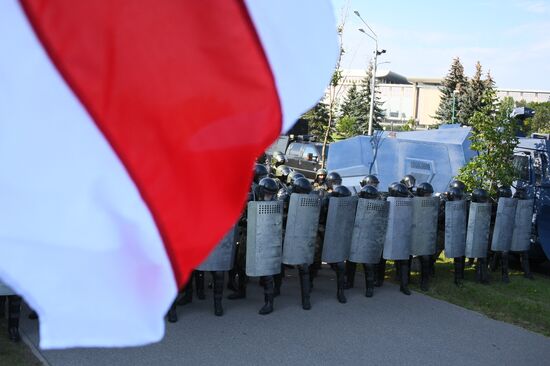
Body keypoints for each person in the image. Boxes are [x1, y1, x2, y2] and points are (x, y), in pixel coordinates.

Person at [410, 182, 438, 291]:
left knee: (426, 258)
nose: (429, 196)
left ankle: (424, 281)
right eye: (427, 194)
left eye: (430, 194)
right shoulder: (413, 202)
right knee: (406, 259)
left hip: (425, 234)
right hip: (412, 234)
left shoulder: (432, 203)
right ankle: (405, 279)